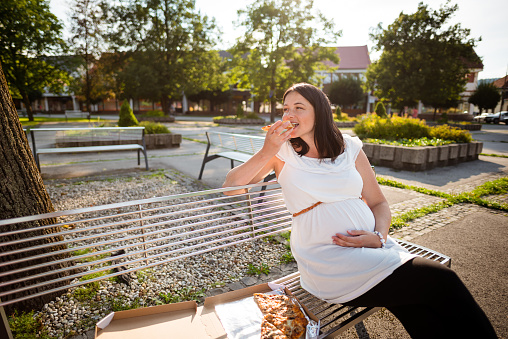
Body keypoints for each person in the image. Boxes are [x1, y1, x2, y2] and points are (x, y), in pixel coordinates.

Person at [223, 83, 497, 338]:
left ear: (319, 112)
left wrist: (379, 236)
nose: (289, 114)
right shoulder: (281, 152)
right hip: (328, 259)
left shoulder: (349, 147)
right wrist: (266, 149)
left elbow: (379, 203)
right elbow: (231, 188)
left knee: (418, 309)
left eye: (298, 107)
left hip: (373, 249)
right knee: (440, 279)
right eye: (285, 108)